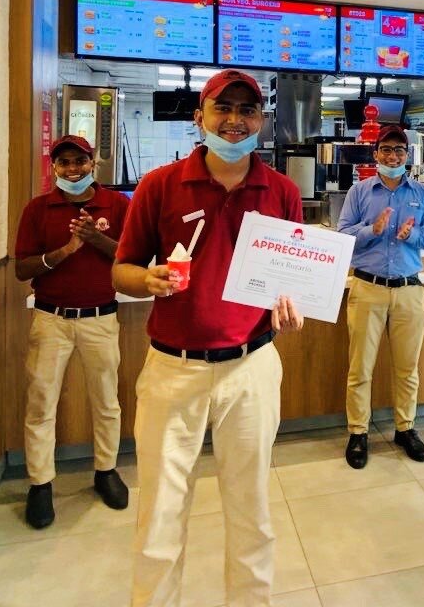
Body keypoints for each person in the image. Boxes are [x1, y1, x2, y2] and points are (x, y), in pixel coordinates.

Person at [112, 69, 305, 607]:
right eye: (225, 108)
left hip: (252, 367)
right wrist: (146, 279)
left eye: (248, 111)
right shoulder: (159, 186)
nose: (236, 120)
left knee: (252, 511)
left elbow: (287, 280)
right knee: (161, 516)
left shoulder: (282, 191)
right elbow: (122, 269)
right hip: (174, 370)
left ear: (261, 123)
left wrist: (289, 303)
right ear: (200, 118)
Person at [13, 135, 131, 529]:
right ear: (54, 168)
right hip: (51, 321)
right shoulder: (37, 209)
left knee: (106, 400)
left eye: (79, 161)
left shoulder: (116, 205)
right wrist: (64, 252)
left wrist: (96, 239)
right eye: (64, 163)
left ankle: (106, 471)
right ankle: (40, 483)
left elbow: (134, 255)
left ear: (93, 163)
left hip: (101, 318)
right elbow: (22, 269)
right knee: (41, 402)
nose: (73, 169)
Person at [338, 124, 424, 469]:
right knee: (360, 368)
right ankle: (358, 432)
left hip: (409, 290)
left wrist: (412, 235)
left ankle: (405, 428)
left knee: (407, 367)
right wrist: (373, 230)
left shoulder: (421, 194)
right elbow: (343, 235)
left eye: (399, 150)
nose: (393, 156)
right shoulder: (360, 191)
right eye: (387, 149)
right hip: (367, 288)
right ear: (376, 153)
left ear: (406, 155)